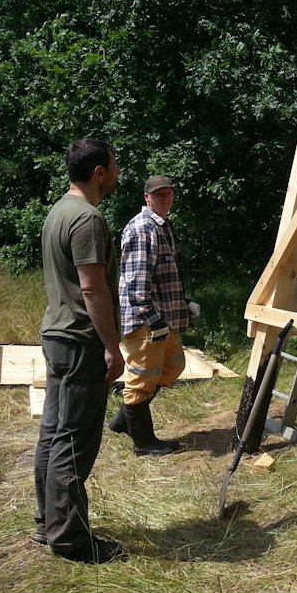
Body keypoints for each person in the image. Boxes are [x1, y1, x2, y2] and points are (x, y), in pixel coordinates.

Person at [34, 138, 127, 564]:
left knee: (53, 434)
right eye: (115, 165)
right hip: (80, 342)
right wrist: (111, 346)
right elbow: (92, 288)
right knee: (73, 441)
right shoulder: (87, 218)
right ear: (99, 172)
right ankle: (70, 539)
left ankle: (47, 523)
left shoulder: (58, 210)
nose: (118, 172)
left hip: (58, 336)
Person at [110, 175, 198, 456]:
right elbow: (136, 284)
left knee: (174, 365)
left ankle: (124, 420)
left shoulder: (163, 226)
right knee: (141, 379)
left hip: (163, 318)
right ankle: (143, 442)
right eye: (159, 194)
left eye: (169, 193)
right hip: (148, 320)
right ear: (146, 197)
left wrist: (183, 303)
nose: (165, 198)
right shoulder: (143, 229)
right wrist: (154, 320)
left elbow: (163, 275)